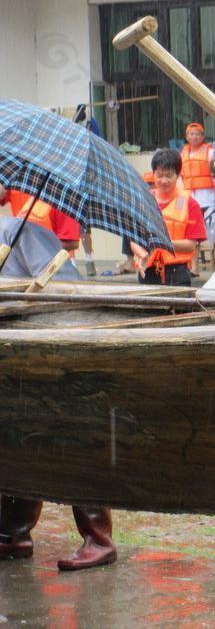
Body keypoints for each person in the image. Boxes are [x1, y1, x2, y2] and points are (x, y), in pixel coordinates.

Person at [0, 189, 117, 572]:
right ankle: (13, 532)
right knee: (16, 440)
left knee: (66, 438)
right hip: (8, 356)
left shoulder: (21, 231)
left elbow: (66, 285)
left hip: (43, 348)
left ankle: (98, 538)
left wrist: (25, 300)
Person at [131, 149, 206, 286]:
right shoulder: (143, 200)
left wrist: (163, 242)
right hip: (148, 269)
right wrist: (141, 253)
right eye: (159, 176)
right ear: (153, 174)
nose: (163, 181)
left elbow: (191, 245)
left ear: (178, 175)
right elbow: (133, 238)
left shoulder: (190, 203)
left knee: (180, 307)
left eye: (169, 176)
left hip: (178, 272)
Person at [179, 122, 215, 272]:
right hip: (192, 201)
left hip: (210, 199)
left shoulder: (210, 152)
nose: (195, 137)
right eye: (191, 134)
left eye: (198, 134)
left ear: (203, 136)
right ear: (186, 137)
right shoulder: (183, 154)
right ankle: (194, 269)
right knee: (194, 237)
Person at [73, 104, 101, 275]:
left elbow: (97, 135)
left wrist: (89, 118)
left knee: (84, 227)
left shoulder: (92, 130)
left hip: (85, 186)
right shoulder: (73, 131)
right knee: (69, 229)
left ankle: (89, 260)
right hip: (72, 184)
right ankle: (72, 263)